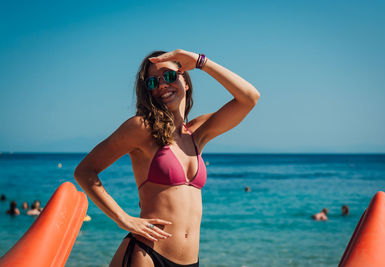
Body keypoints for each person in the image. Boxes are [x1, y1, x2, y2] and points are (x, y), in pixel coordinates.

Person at [74, 49, 260, 267]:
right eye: (153, 82)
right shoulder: (142, 128)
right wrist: (122, 218)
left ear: (186, 81)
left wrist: (201, 62)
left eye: (170, 76)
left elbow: (249, 98)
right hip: (147, 256)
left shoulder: (198, 133)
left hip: (191, 261)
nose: (162, 84)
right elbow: (84, 171)